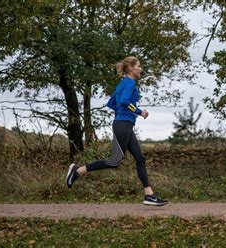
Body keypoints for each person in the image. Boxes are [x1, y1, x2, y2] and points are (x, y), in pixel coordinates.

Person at [65, 56, 168, 206]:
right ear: (131, 68)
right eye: (139, 66)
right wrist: (139, 112)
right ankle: (77, 171)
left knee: (140, 158)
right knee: (114, 162)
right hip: (123, 125)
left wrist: (125, 113)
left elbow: (112, 103)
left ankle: (149, 195)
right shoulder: (130, 83)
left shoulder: (122, 84)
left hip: (124, 124)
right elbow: (124, 102)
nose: (141, 68)